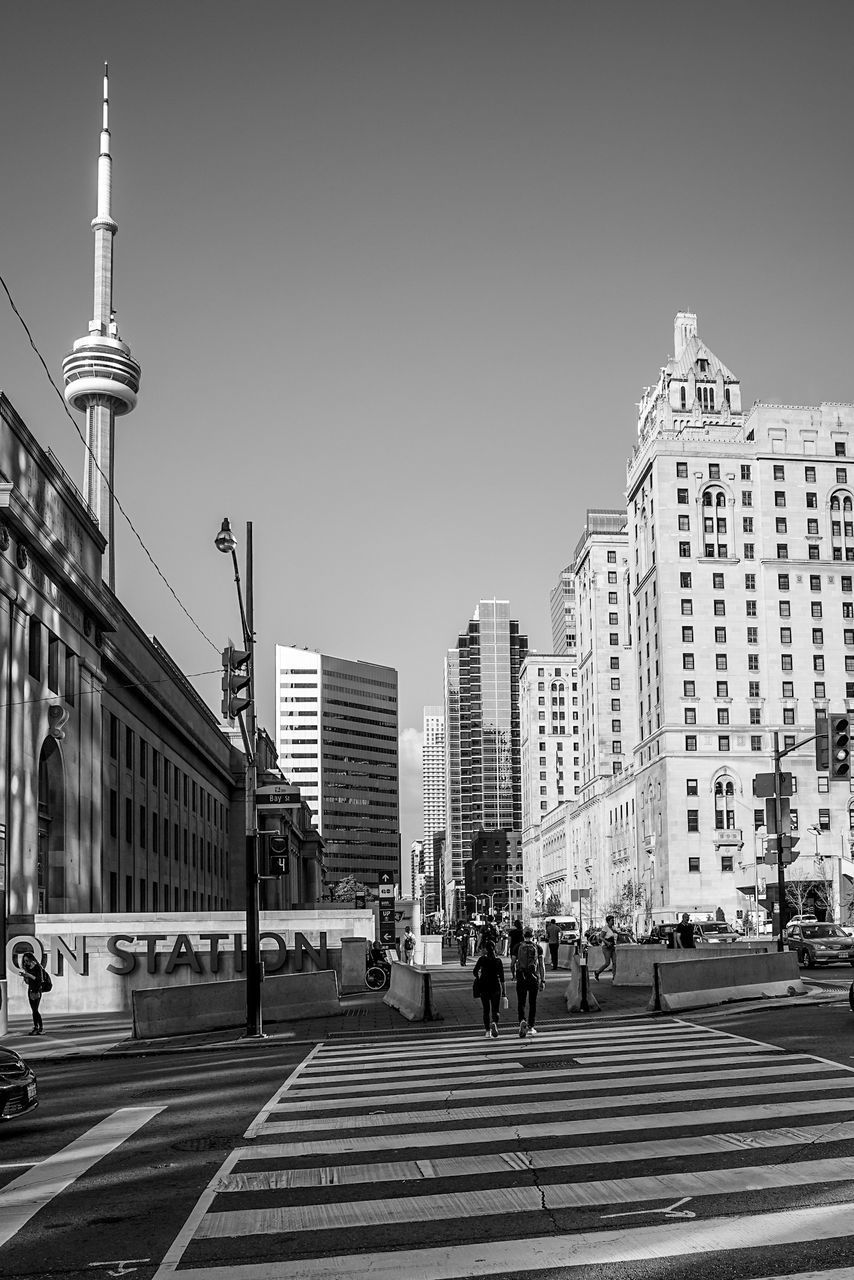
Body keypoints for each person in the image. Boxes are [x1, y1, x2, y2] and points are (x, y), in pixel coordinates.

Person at [515, 925, 545, 1038]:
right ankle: (531, 1026)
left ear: (523, 935)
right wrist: (543, 980)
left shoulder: (518, 946)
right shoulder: (538, 947)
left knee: (521, 1002)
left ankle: (522, 1020)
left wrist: (514, 975)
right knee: (533, 1003)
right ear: (533, 936)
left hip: (521, 977)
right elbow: (541, 965)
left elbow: (513, 963)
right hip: (533, 978)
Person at [473, 938, 506, 1038]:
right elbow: (502, 978)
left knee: (486, 1010)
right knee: (495, 1009)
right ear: (494, 948)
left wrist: (479, 977)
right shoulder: (498, 961)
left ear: (486, 949)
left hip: (484, 986)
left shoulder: (482, 959)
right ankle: (495, 1022)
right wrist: (504, 992)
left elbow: (475, 971)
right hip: (495, 986)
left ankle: (487, 1031)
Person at [20, 951, 49, 1035]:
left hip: (37, 990)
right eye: (24, 961)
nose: (26, 962)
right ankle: (36, 1027)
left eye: (27, 960)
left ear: (31, 959)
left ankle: (40, 1028)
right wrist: (25, 976)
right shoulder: (28, 968)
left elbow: (39, 980)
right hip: (31, 990)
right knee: (33, 1010)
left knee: (35, 1010)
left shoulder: (37, 967)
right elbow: (29, 982)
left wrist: (29, 975)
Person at [593, 914, 617, 981]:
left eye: (613, 920)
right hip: (606, 947)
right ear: (608, 921)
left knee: (615, 962)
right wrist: (607, 942)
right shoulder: (605, 928)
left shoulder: (613, 928)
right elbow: (601, 937)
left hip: (612, 946)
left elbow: (616, 934)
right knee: (607, 963)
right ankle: (597, 972)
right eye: (612, 920)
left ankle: (614, 976)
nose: (613, 921)